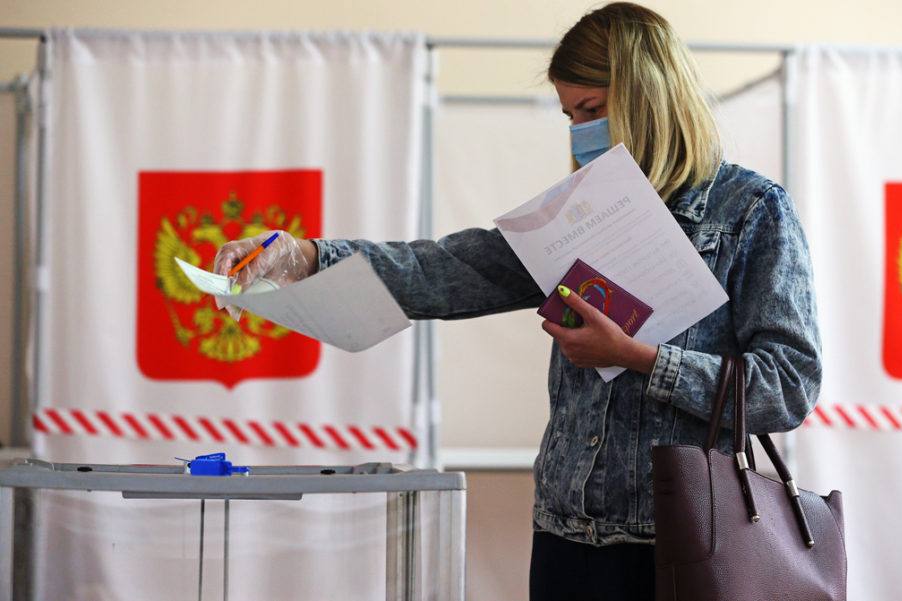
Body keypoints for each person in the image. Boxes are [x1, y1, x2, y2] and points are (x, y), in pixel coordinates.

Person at [214, 3, 821, 599]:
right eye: (569, 115)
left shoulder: (752, 212)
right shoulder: (578, 213)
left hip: (680, 542)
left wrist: (639, 357)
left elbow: (789, 386)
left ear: (650, 97)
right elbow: (447, 268)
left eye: (592, 110)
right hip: (563, 536)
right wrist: (306, 255)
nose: (579, 131)